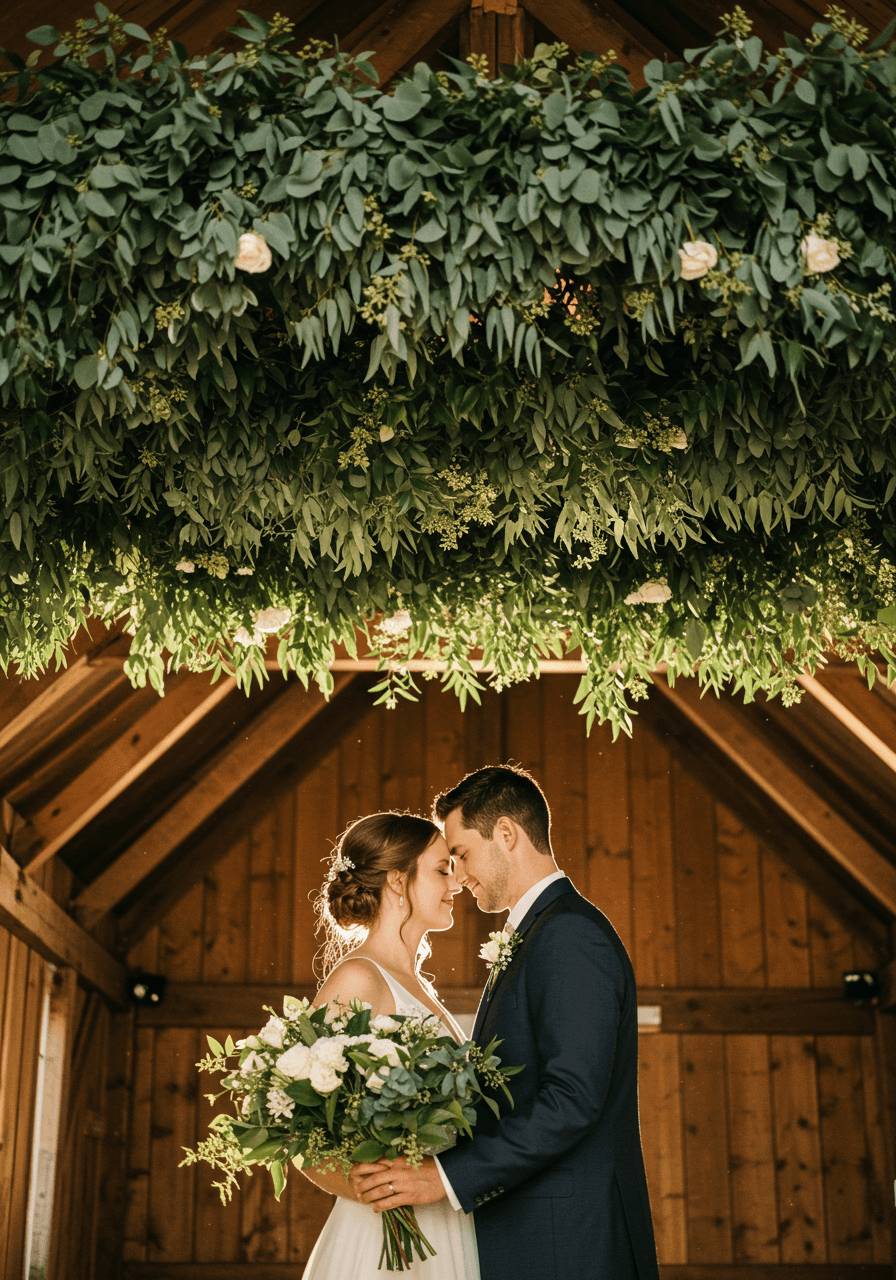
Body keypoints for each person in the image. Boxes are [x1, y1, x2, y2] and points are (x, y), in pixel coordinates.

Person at [355, 764, 660, 1280]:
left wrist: (445, 1178)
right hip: (536, 1236)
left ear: (506, 834)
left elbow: (571, 1100)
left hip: (571, 1243)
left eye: (462, 854)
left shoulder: (568, 937)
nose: (460, 874)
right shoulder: (541, 934)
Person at [300, 811, 481, 1279]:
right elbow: (297, 1127)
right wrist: (366, 1187)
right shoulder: (358, 978)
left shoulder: (416, 983)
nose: (456, 882)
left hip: (444, 1220)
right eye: (443, 869)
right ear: (398, 882)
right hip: (386, 1241)